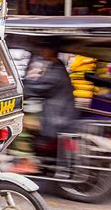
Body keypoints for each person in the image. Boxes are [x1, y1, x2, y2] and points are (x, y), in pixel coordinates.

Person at [10, 40, 78, 173]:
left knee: (18, 124)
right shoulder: (55, 67)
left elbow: (35, 88)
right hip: (56, 113)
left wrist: (14, 93)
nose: (41, 52)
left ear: (50, 51)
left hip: (56, 119)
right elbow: (34, 84)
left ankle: (25, 161)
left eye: (43, 49)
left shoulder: (56, 71)